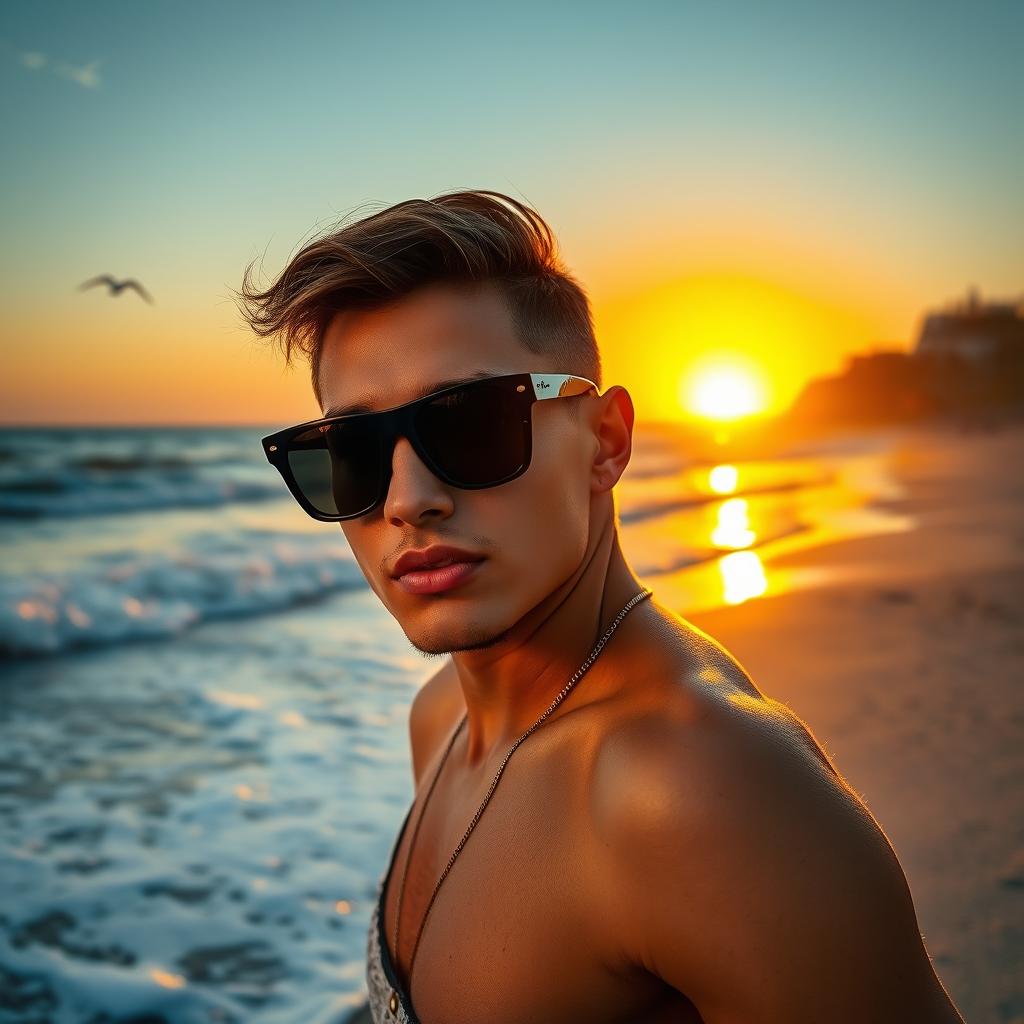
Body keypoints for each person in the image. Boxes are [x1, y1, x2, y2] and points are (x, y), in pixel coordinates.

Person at [236, 190, 966, 1023]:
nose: (408, 500)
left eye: (471, 424)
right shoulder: (438, 720)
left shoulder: (698, 783)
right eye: (354, 451)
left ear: (605, 441)